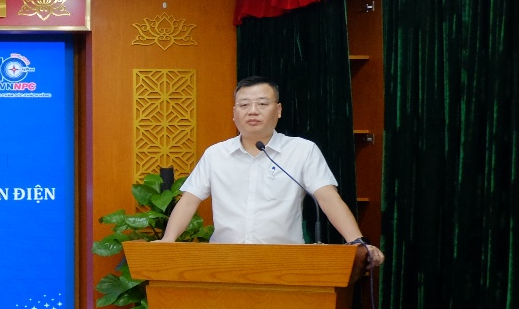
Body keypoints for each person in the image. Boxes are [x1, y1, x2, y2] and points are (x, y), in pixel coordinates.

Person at [159, 76, 383, 267]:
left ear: (278, 110)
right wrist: (167, 241)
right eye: (244, 105)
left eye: (262, 104)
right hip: (225, 261)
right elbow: (189, 201)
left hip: (284, 262)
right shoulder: (215, 154)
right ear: (234, 113)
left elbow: (328, 198)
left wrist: (357, 241)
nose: (252, 111)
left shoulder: (302, 150)